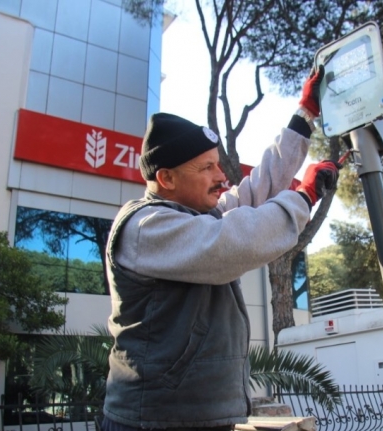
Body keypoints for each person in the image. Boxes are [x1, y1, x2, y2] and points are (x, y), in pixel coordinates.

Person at [101, 67, 340, 431]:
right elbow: (231, 243)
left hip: (191, 417)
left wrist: (304, 115)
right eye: (207, 167)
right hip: (152, 422)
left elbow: (256, 190)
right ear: (166, 178)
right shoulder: (145, 227)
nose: (221, 175)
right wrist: (303, 196)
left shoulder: (197, 216)